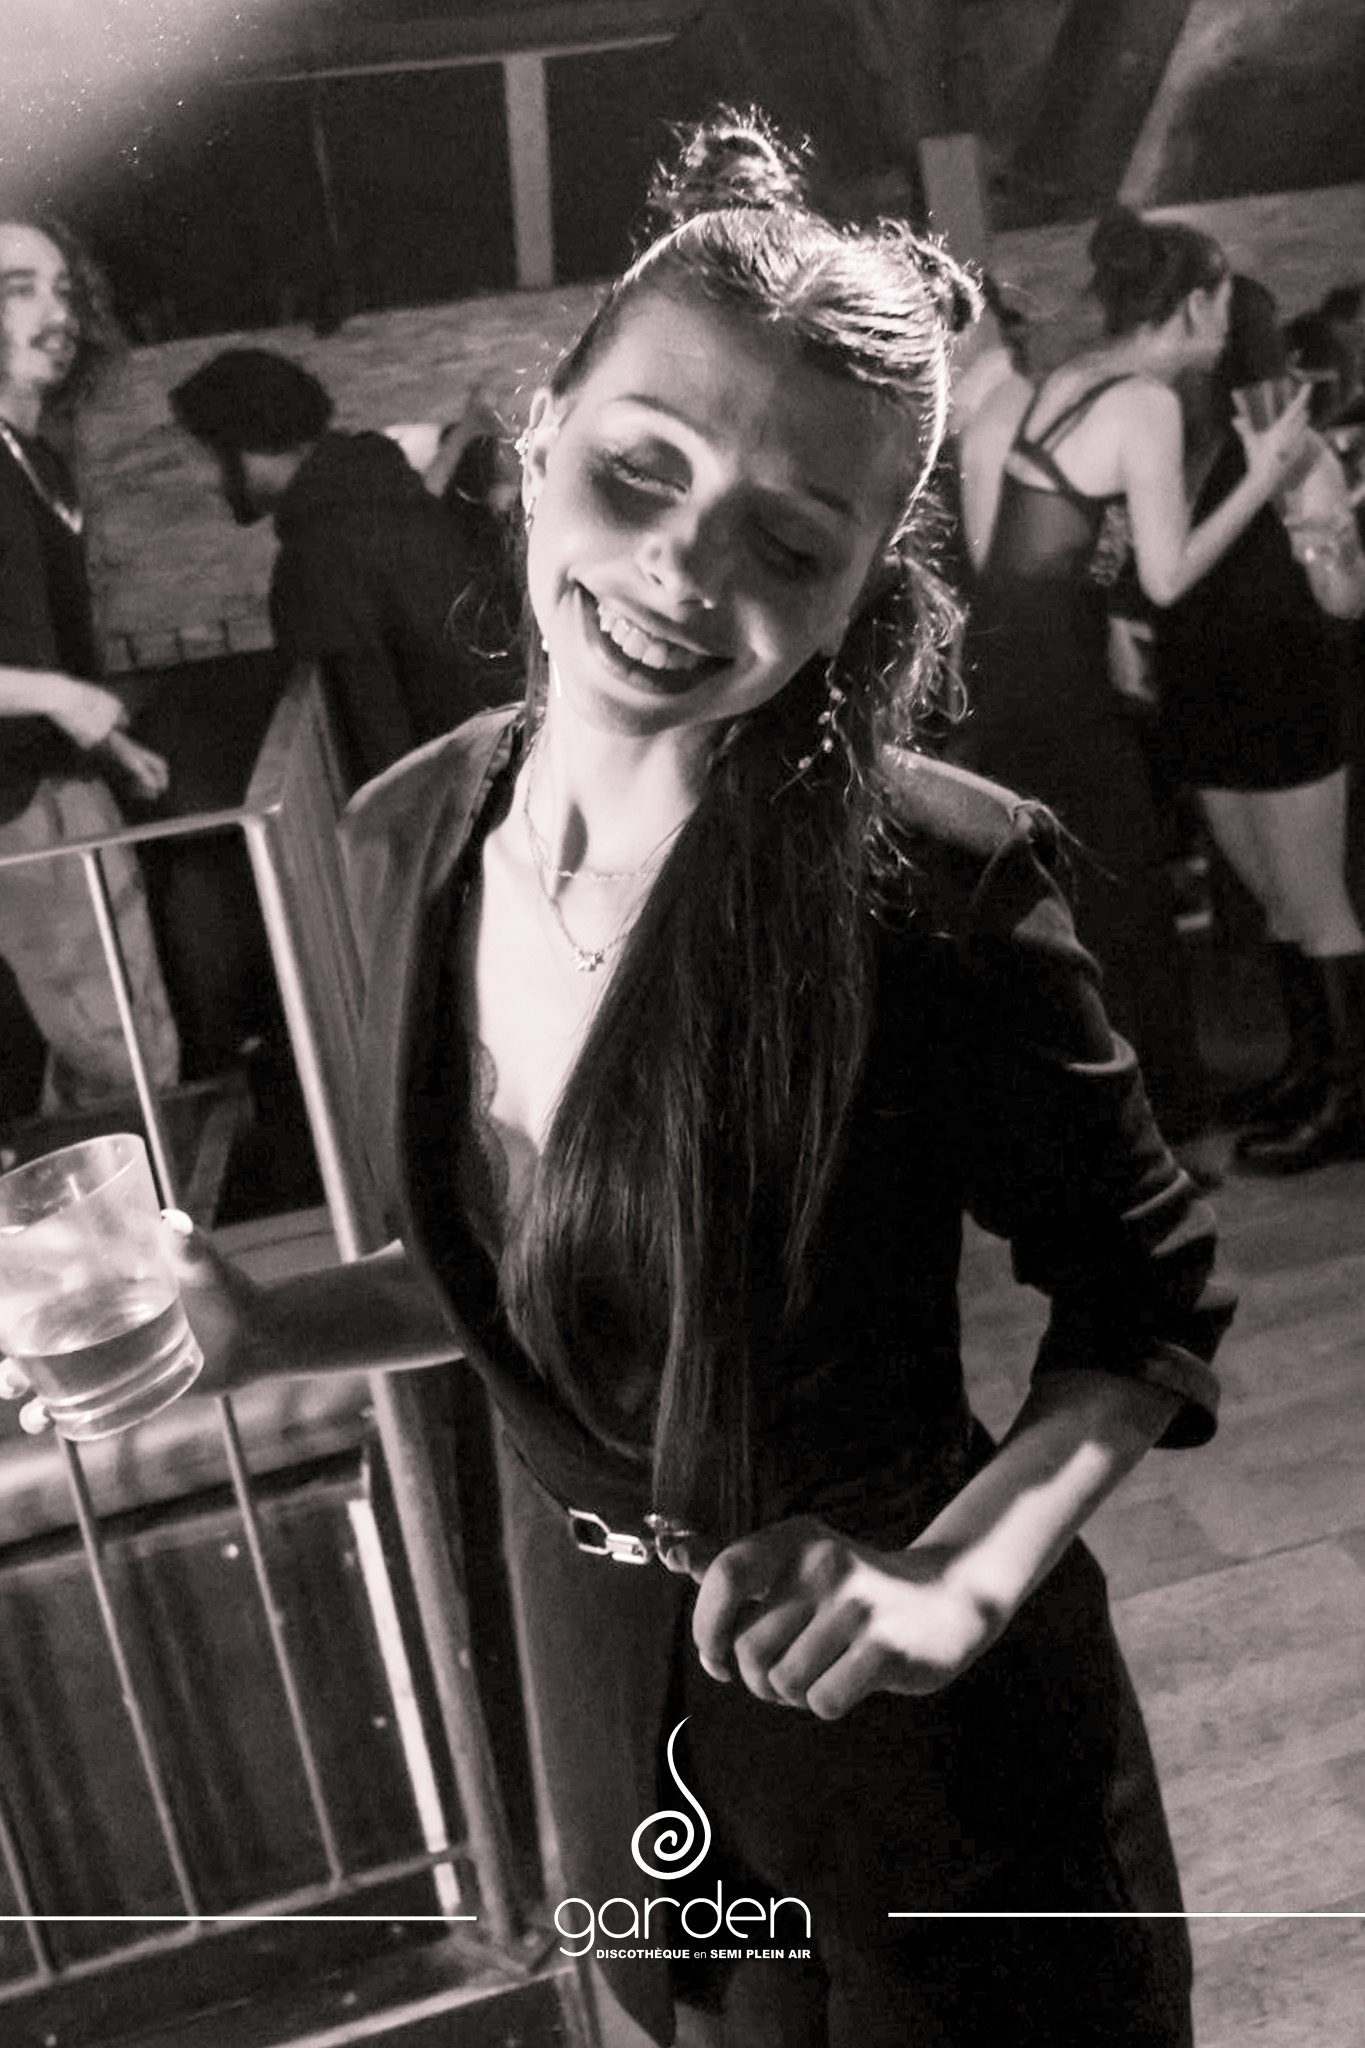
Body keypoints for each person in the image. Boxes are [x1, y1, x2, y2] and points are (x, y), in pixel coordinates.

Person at [9, 113, 1235, 2045]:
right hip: (609, 1687)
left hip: (914, 1737)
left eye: (788, 540)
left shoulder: (934, 880)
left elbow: (1144, 1301)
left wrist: (954, 1578)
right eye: (638, 467)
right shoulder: (415, 829)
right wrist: (267, 1327)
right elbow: (551, 1274)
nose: (681, 565)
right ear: (538, 438)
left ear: (858, 589)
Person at [954, 206, 1313, 1166]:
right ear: (1192, 304)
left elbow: (1015, 556)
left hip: (1007, 687)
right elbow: (1166, 575)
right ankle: (1162, 1142)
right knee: (1125, 913)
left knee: (1058, 919)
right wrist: (1266, 473)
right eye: (1223, 305)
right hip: (1062, 699)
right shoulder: (1145, 403)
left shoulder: (1056, 383)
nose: (1227, 326)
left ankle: (1084, 1136)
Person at [1157, 275, 1365, 1172]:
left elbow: (1343, 597)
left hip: (1283, 688)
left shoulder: (1289, 443)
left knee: (1315, 903)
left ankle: (1349, 1095)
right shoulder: (1170, 439)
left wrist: (1328, 541)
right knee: (1276, 902)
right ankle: (1308, 1069)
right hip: (1211, 692)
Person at [0, 214, 179, 1115]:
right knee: (121, 1052)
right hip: (13, 807)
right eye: (18, 290)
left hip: (61, 785)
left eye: (63, 290)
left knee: (124, 1038)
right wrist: (60, 697)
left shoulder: (37, 460)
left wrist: (105, 743)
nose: (57, 313)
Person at [168, 348, 513, 794]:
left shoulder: (319, 559)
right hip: (506, 763)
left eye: (206, 456)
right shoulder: (381, 487)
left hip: (462, 798)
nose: (203, 481)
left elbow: (372, 730)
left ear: (254, 442)